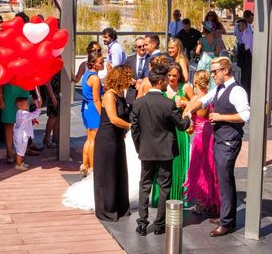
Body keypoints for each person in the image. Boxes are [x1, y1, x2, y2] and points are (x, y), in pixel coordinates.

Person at [184, 57, 250, 237]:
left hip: (229, 141)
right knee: (225, 180)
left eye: (215, 71)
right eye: (212, 72)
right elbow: (204, 100)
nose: (212, 75)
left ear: (225, 71)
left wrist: (220, 117)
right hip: (220, 140)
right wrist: (191, 108)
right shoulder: (219, 89)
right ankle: (227, 216)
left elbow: (245, 115)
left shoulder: (237, 91)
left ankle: (226, 222)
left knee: (225, 180)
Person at [131, 63, 191, 236]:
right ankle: (159, 224)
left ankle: (142, 223)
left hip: (146, 151)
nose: (167, 82)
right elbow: (181, 125)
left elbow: (135, 130)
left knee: (145, 186)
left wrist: (139, 147)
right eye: (165, 80)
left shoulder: (139, 103)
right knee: (164, 187)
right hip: (165, 152)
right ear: (160, 82)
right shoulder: (168, 104)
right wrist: (187, 116)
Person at [150, 64, 193, 207]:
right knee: (162, 166)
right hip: (163, 131)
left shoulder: (185, 87)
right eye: (169, 75)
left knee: (179, 164)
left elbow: (196, 104)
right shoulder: (162, 88)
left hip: (180, 131)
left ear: (179, 75)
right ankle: (160, 199)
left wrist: (185, 104)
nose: (171, 78)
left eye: (175, 75)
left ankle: (178, 197)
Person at [93, 65, 132, 221]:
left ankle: (119, 205)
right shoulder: (109, 95)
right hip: (107, 139)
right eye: (128, 77)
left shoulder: (121, 94)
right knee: (107, 174)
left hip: (117, 138)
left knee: (118, 171)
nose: (130, 80)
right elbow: (114, 119)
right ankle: (106, 209)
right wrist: (131, 126)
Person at [183, 70, 220, 216]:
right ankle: (211, 200)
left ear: (195, 82)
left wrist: (185, 105)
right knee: (211, 168)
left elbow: (190, 114)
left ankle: (201, 202)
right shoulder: (211, 95)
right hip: (210, 133)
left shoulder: (198, 98)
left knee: (200, 169)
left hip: (201, 136)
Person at [79, 51, 104, 176]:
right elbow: (96, 99)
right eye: (101, 62)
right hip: (93, 109)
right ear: (94, 64)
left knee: (89, 138)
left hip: (86, 108)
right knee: (94, 139)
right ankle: (93, 168)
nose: (103, 64)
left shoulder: (86, 75)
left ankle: (85, 164)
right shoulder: (95, 78)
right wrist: (103, 114)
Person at [13, 95, 42, 171]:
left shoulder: (20, 113)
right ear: (20, 105)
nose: (27, 105)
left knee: (22, 150)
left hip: (21, 134)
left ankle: (21, 162)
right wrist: (39, 106)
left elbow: (29, 118)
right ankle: (18, 164)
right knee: (20, 151)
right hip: (21, 135)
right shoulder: (23, 113)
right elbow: (34, 114)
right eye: (25, 104)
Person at [196, 21, 224, 90]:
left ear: (205, 29)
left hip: (204, 59)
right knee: (212, 78)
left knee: (202, 78)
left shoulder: (202, 39)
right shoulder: (217, 39)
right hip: (213, 60)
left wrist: (202, 53)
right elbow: (217, 52)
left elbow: (197, 51)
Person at [235, 18, 252, 95]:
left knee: (246, 80)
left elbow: (246, 48)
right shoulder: (243, 34)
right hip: (244, 58)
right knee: (244, 79)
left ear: (244, 25)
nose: (238, 27)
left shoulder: (247, 34)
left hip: (247, 59)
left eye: (239, 25)